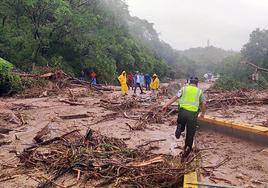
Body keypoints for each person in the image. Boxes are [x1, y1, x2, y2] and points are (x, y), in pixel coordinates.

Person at [162, 77, 206, 159]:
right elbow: (203, 104)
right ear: (197, 83)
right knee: (190, 133)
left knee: (181, 124)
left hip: (182, 112)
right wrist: (203, 114)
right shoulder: (199, 91)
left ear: (189, 82)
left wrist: (166, 105)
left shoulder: (183, 89)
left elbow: (175, 97)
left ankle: (180, 127)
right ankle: (187, 149)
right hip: (192, 114)